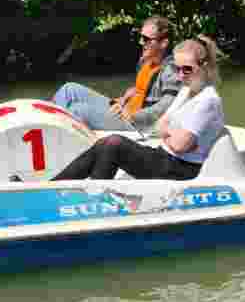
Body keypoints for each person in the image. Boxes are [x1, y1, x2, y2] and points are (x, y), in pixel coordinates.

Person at [50, 36, 225, 182]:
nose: (180, 76)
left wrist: (169, 132)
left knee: (114, 144)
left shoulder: (207, 100)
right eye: (176, 68)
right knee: (106, 144)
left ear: (205, 66)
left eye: (186, 69)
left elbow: (178, 145)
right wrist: (173, 133)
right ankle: (55, 186)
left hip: (178, 169)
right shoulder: (187, 91)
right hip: (164, 156)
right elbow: (160, 126)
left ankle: (92, 196)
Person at [51, 16, 181, 132]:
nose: (141, 42)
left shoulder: (171, 69)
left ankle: (57, 137)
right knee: (69, 89)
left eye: (146, 39)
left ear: (164, 43)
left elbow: (166, 106)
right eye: (141, 37)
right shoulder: (146, 61)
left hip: (137, 124)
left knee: (77, 110)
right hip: (123, 109)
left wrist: (132, 115)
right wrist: (124, 99)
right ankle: (47, 127)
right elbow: (141, 88)